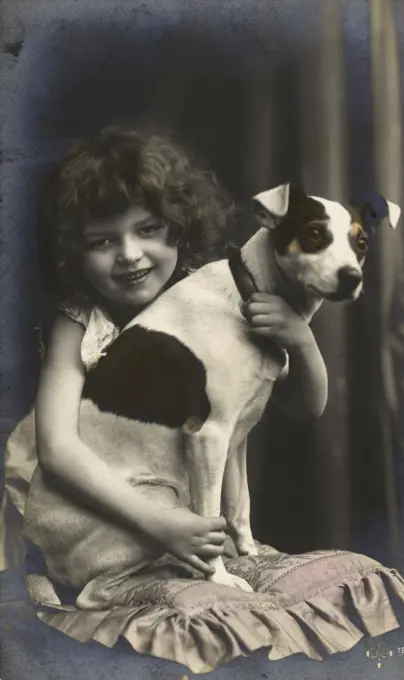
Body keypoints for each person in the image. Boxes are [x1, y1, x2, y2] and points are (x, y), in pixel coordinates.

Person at [0, 125, 328, 577]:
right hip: (103, 508)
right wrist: (161, 524)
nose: (130, 255)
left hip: (187, 506)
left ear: (179, 226)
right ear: (72, 252)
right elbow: (57, 450)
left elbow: (305, 407)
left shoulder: (210, 299)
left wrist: (301, 340)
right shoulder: (78, 323)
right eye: (102, 241)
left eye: (148, 229)